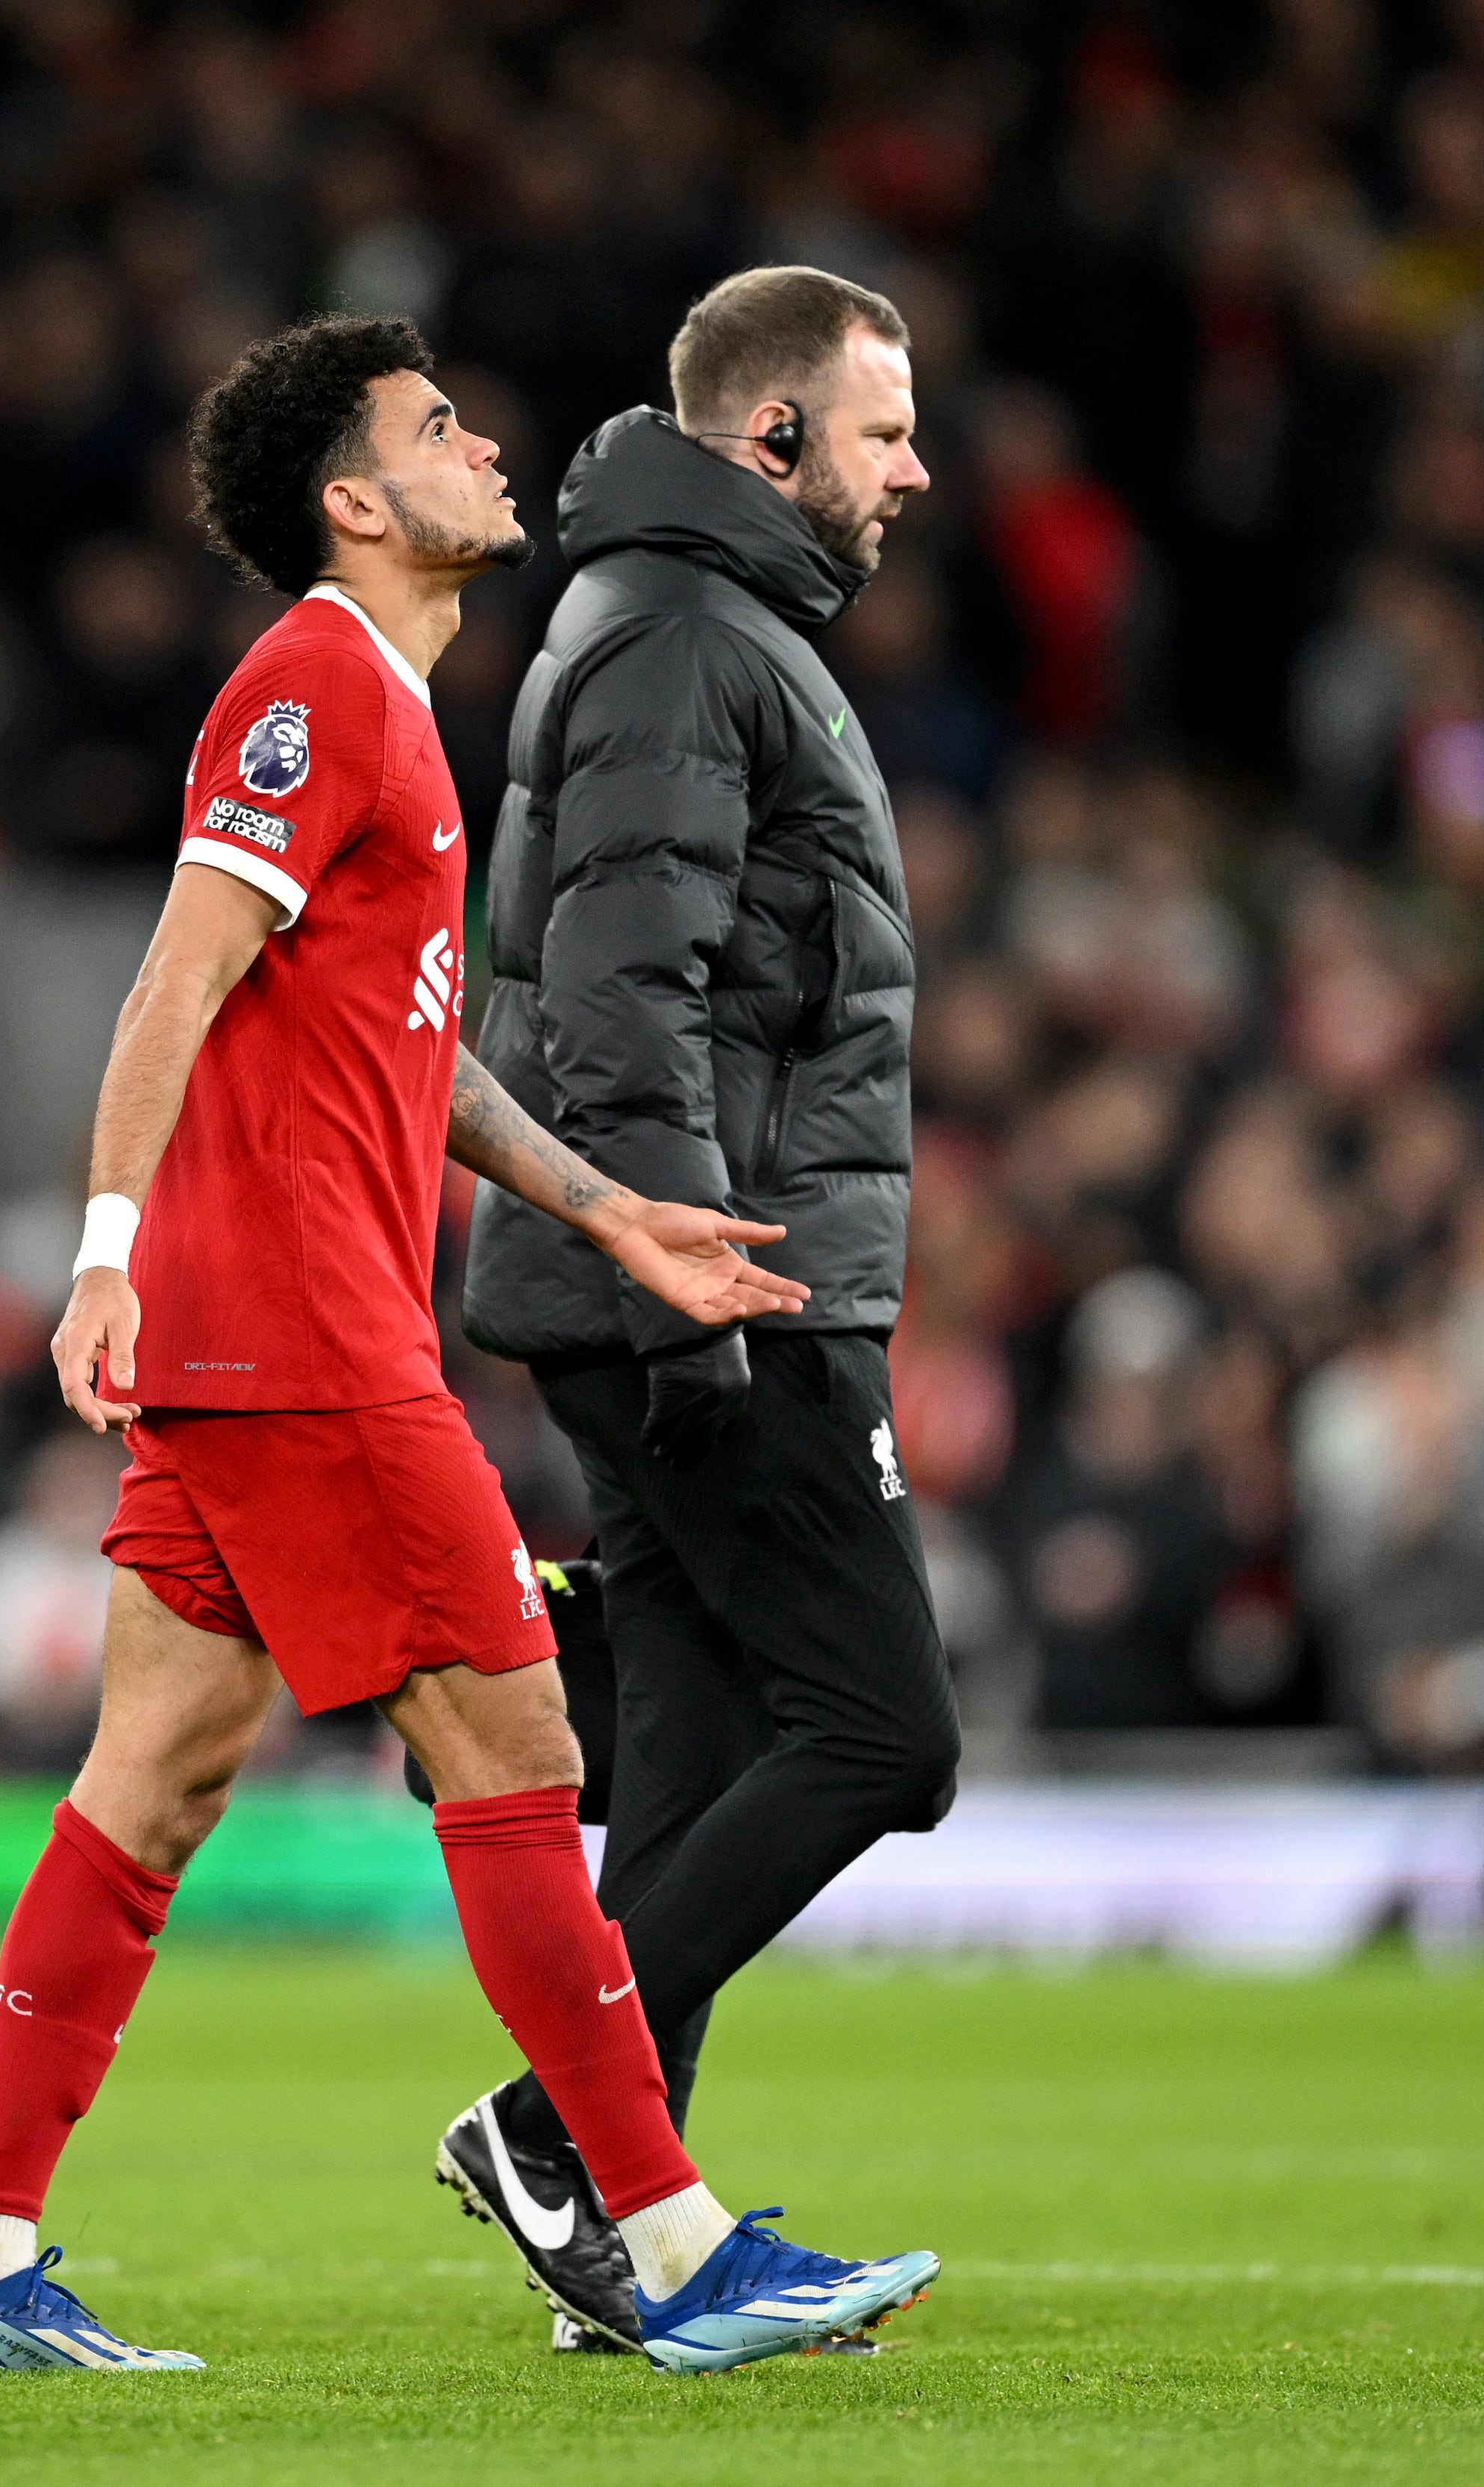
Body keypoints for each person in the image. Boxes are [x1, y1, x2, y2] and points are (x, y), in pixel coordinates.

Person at [0, 316, 938, 2378]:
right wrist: (101, 1251)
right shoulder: (309, 684)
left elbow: (419, 1058)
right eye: (440, 430)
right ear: (354, 504)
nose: (488, 449)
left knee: (154, 1781)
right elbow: (170, 985)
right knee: (525, 1755)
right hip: (301, 1333)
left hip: (263, 1338)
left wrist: (608, 1202)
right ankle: (669, 2240)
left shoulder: (392, 709)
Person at [450, 266, 959, 2349]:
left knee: (684, 1748)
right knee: (881, 1730)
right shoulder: (681, 636)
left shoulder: (693, 620)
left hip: (679, 1268)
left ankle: (630, 2249)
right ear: (774, 442)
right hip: (714, 1276)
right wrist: (687, 1281)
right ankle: (555, 2130)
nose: (915, 470)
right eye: (883, 429)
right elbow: (619, 996)